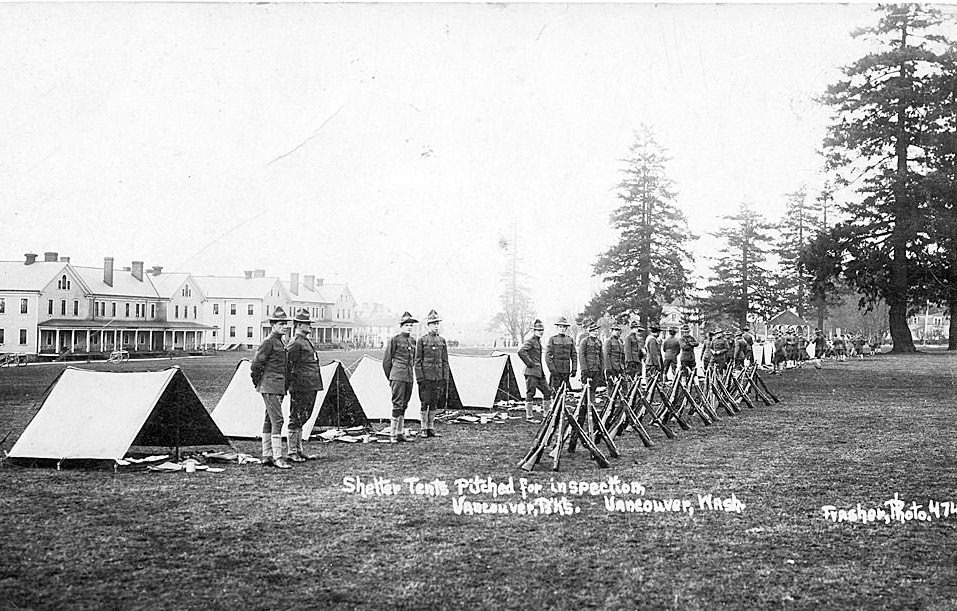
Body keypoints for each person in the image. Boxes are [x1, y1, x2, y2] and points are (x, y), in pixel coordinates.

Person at [250, 306, 292, 469]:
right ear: (273, 325)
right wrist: (259, 383)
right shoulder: (268, 342)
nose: (285, 326)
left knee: (269, 419)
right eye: (281, 323)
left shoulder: (280, 342)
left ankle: (266, 455)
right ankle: (277, 457)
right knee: (278, 420)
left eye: (286, 323)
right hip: (270, 386)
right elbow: (256, 365)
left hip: (277, 386)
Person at [285, 308, 323, 462]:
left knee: (304, 416)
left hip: (310, 385)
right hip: (300, 386)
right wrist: (288, 385)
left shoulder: (305, 341)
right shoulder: (295, 343)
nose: (309, 326)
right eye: (306, 323)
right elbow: (288, 365)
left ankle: (299, 450)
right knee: (296, 417)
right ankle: (292, 451)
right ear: (298, 324)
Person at [414, 309, 450, 438]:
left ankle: (431, 427)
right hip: (426, 377)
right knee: (425, 402)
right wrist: (420, 378)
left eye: (437, 323)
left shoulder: (442, 341)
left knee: (434, 402)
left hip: (438, 377)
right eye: (433, 323)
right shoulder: (422, 341)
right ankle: (423, 428)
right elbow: (417, 361)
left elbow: (445, 361)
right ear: (428, 325)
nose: (436, 326)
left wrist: (445, 377)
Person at [383, 311, 417, 443]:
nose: (409, 327)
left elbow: (413, 360)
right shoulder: (395, 340)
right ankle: (392, 434)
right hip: (398, 376)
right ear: (401, 326)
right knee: (397, 404)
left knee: (404, 404)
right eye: (407, 325)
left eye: (411, 325)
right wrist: (392, 377)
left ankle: (400, 432)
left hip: (409, 376)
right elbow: (386, 361)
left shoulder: (413, 341)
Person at [518, 318, 551, 422]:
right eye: (538, 330)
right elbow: (521, 351)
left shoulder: (538, 342)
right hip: (531, 372)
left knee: (547, 391)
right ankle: (529, 416)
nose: (541, 332)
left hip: (539, 372)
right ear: (534, 331)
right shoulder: (531, 341)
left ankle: (546, 414)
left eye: (542, 330)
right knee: (530, 393)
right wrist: (530, 363)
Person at [545, 317, 577, 393]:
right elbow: (547, 356)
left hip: (566, 370)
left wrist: (574, 369)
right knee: (554, 392)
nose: (562, 329)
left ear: (566, 328)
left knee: (565, 392)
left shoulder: (570, 339)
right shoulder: (552, 339)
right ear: (557, 328)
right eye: (560, 327)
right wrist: (552, 369)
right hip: (556, 371)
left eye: (564, 327)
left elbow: (574, 355)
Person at [578, 321, 604, 395]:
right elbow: (581, 356)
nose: (595, 332)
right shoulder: (584, 342)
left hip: (596, 369)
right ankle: (584, 405)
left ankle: (591, 404)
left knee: (593, 388)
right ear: (590, 331)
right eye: (593, 331)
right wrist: (584, 369)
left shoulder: (599, 342)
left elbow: (601, 356)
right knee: (585, 389)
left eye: (596, 331)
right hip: (588, 369)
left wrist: (602, 368)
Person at [603, 323, 625, 388]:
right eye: (615, 330)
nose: (617, 332)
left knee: (623, 384)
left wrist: (623, 366)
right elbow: (606, 355)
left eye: (618, 330)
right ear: (611, 331)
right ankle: (611, 398)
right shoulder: (608, 341)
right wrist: (608, 368)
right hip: (612, 367)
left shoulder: (620, 341)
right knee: (611, 386)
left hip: (620, 367)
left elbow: (622, 355)